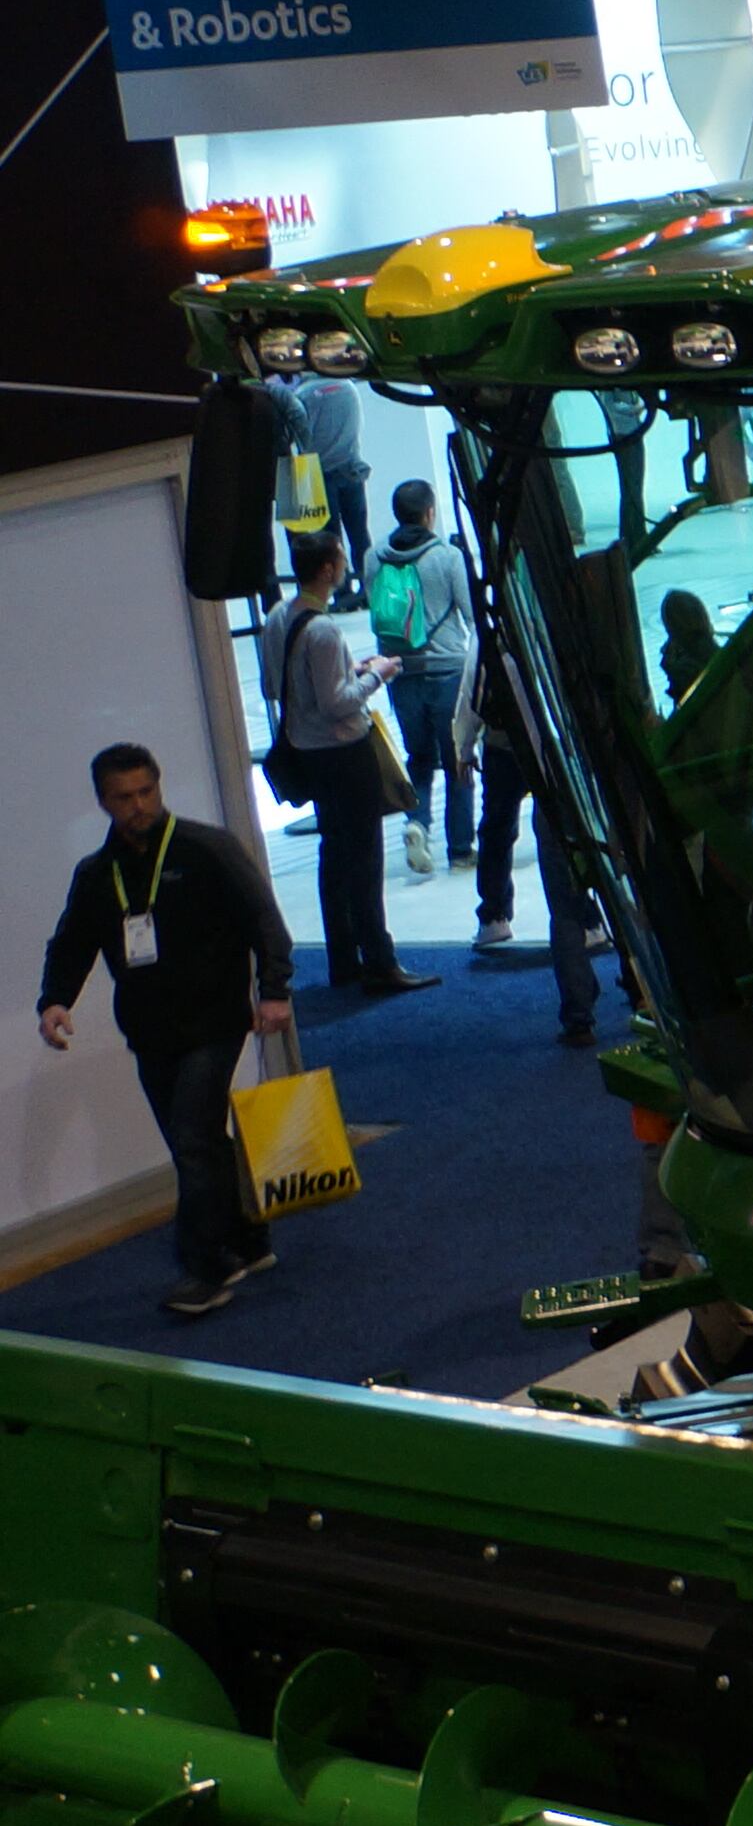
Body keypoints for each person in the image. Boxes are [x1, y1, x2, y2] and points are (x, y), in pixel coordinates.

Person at [33, 745, 298, 1322]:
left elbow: (264, 920)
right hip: (150, 1030)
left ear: (159, 787)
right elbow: (72, 941)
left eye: (146, 792)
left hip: (217, 1019)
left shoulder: (207, 851)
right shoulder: (98, 874)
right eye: (124, 798)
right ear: (103, 802)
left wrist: (274, 990)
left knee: (192, 1137)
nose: (138, 806)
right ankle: (248, 1240)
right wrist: (54, 1000)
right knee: (199, 1141)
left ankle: (205, 1269)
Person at [268, 533, 426, 999]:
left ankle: (344, 958)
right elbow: (338, 704)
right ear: (327, 570)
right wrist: (377, 675)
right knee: (365, 859)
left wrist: (348, 670)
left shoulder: (280, 617)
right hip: (344, 754)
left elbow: (278, 685)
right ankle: (380, 960)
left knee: (333, 857)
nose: (344, 565)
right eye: (339, 559)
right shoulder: (322, 630)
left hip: (309, 754)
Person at [471, 661, 605, 1045]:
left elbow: (473, 698)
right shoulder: (574, 647)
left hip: (551, 785)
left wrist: (464, 744)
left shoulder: (501, 652)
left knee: (562, 907)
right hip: (593, 784)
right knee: (623, 894)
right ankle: (641, 990)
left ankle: (579, 1016)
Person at [370, 477, 479, 882]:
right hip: (448, 671)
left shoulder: (374, 557)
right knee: (458, 762)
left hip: (399, 672)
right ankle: (461, 847)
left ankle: (418, 822)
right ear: (430, 512)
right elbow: (471, 615)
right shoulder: (447, 557)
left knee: (419, 758)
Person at [295, 367, 372, 574]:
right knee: (360, 534)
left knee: (329, 539)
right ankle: (369, 587)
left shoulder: (304, 395)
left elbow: (302, 437)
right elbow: (358, 427)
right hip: (353, 469)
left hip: (321, 475)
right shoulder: (349, 387)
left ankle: (342, 590)